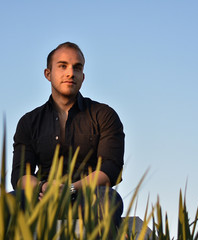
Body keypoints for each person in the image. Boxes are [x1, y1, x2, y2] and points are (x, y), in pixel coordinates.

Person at [11, 42, 125, 228]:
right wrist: (43, 187)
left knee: (107, 199)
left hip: (89, 196)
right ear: (48, 74)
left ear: (83, 76)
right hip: (42, 198)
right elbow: (20, 174)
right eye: (63, 66)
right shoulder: (29, 122)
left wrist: (71, 189)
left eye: (77, 67)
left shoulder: (104, 115)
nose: (71, 73)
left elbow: (110, 168)